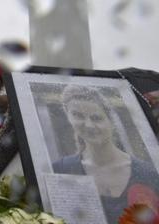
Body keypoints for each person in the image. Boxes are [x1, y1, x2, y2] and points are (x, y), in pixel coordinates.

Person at [53, 85, 159, 223]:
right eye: (78, 116)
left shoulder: (148, 173)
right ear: (68, 117)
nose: (89, 125)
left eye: (96, 118)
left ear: (112, 122)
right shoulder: (60, 170)